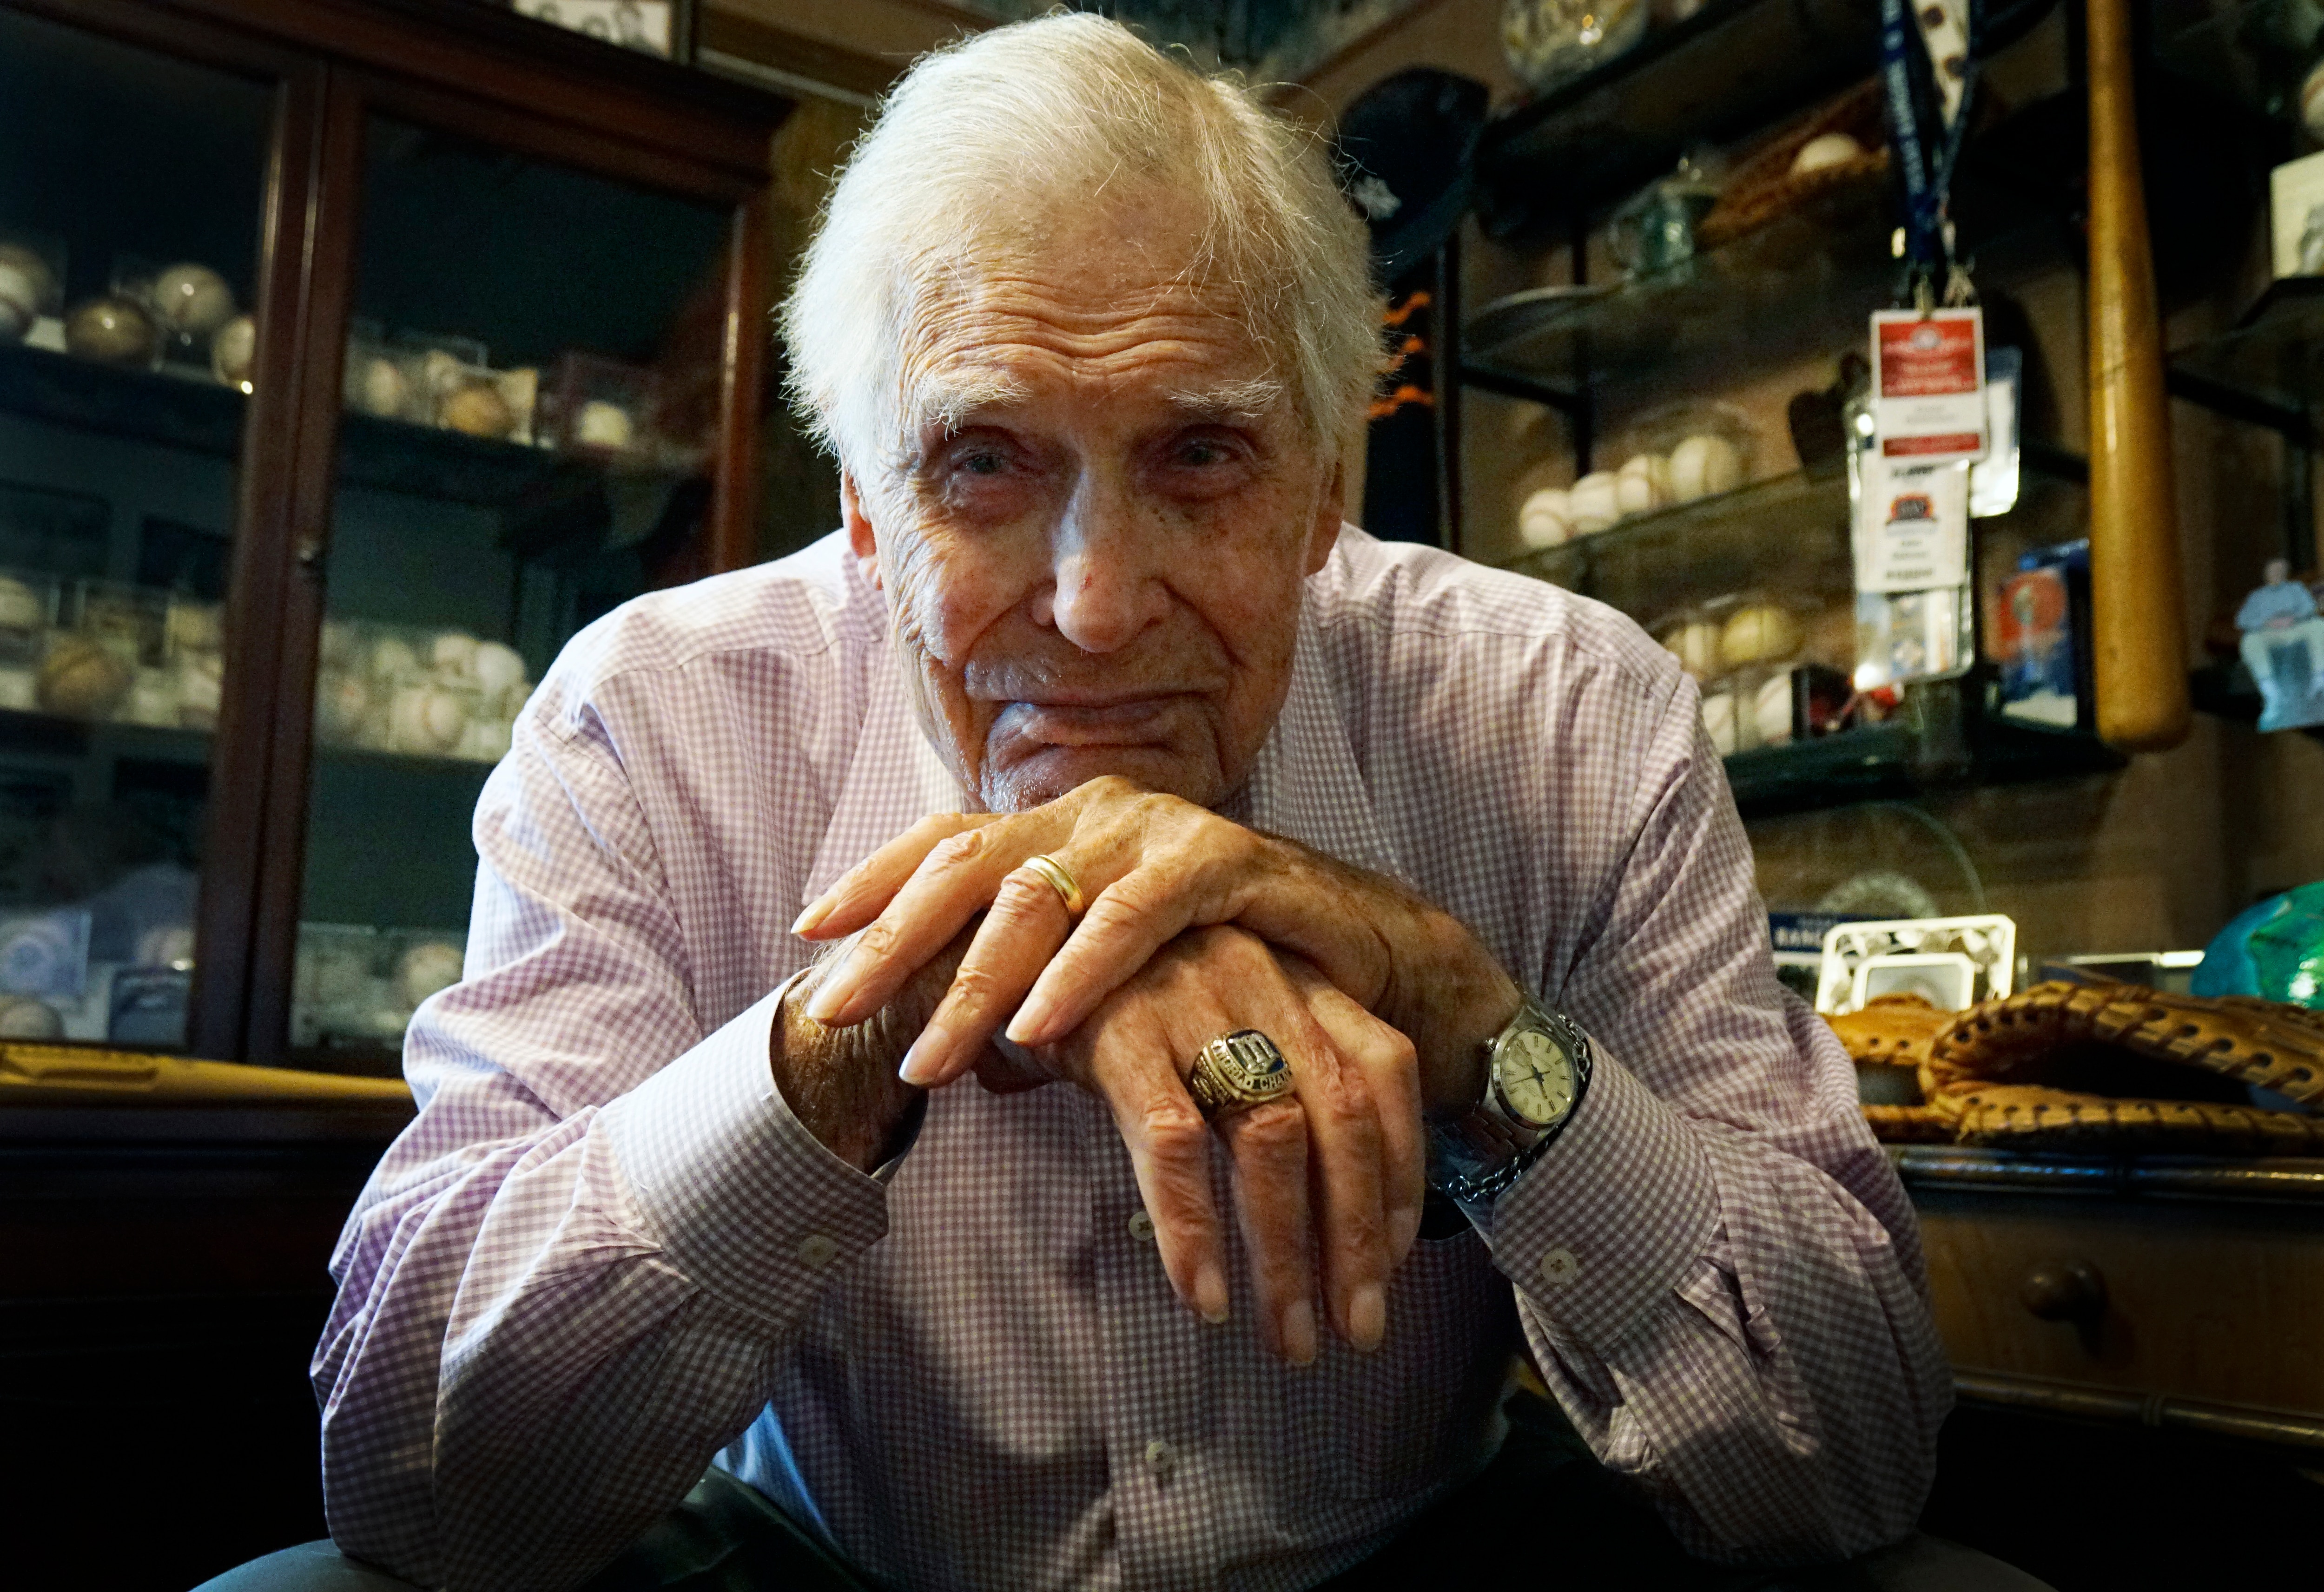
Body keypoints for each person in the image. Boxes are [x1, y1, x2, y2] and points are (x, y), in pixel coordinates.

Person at [218, 16, 1987, 1592]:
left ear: (1318, 485)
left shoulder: (1561, 709)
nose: (1092, 606)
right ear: (863, 507)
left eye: (1197, 454)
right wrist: (869, 1017)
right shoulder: (652, 715)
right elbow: (417, 1485)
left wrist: (1464, 1020)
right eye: (981, 463)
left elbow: (1847, 1447)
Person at [2235, 557, 2324, 728]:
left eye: (2279, 572)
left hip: (2295, 628)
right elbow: (2242, 620)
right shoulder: (2257, 596)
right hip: (2269, 633)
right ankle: (2271, 694)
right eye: (2272, 572)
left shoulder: (2295, 589)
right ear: (2266, 575)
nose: (2275, 575)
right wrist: (2266, 623)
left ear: (2284, 574)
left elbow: (2310, 607)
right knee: (2249, 642)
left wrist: (2294, 618)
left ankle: (2320, 680)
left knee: (2319, 626)